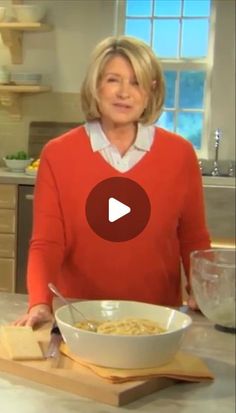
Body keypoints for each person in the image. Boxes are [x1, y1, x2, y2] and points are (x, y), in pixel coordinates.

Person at [14, 35, 211, 327]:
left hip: (158, 318)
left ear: (151, 90)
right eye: (112, 80)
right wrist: (40, 303)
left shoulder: (180, 154)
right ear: (96, 86)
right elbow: (47, 243)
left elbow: (193, 239)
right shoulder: (58, 154)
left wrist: (202, 293)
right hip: (80, 317)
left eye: (136, 82)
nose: (124, 93)